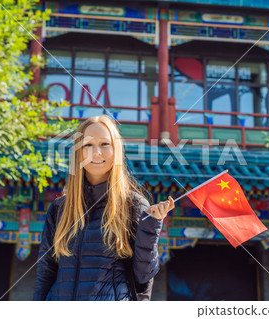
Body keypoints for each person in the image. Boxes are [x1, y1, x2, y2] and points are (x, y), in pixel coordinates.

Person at [33, 115, 174, 301]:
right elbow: (46, 271)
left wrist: (150, 228)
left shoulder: (134, 205)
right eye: (88, 145)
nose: (96, 152)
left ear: (116, 151)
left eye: (105, 144)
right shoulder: (60, 208)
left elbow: (143, 278)